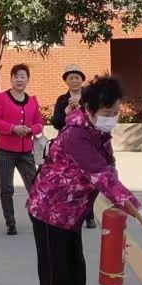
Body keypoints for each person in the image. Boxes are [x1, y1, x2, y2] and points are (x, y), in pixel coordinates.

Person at [26, 76, 142, 285]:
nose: (112, 119)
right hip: (49, 210)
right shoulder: (76, 135)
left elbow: (108, 167)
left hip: (71, 211)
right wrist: (132, 203)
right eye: (107, 113)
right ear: (89, 110)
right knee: (56, 275)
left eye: (116, 113)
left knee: (75, 271)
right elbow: (99, 174)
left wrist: (123, 196)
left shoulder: (97, 132)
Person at [0, 62, 46, 236]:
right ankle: (10, 222)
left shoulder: (32, 101)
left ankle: (38, 219)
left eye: (23, 76)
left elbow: (39, 123)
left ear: (28, 79)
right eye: (16, 76)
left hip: (26, 152)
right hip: (5, 151)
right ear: (11, 79)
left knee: (35, 186)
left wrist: (31, 129)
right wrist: (12, 128)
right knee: (7, 188)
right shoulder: (0, 98)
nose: (19, 80)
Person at [50, 65, 95, 228]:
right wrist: (67, 111)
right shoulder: (62, 99)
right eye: (70, 78)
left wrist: (81, 107)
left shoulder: (90, 98)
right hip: (67, 145)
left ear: (82, 80)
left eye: (77, 77)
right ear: (66, 82)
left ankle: (89, 216)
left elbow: (96, 119)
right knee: (68, 181)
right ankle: (69, 215)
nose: (74, 80)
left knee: (87, 181)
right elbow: (56, 123)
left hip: (87, 145)